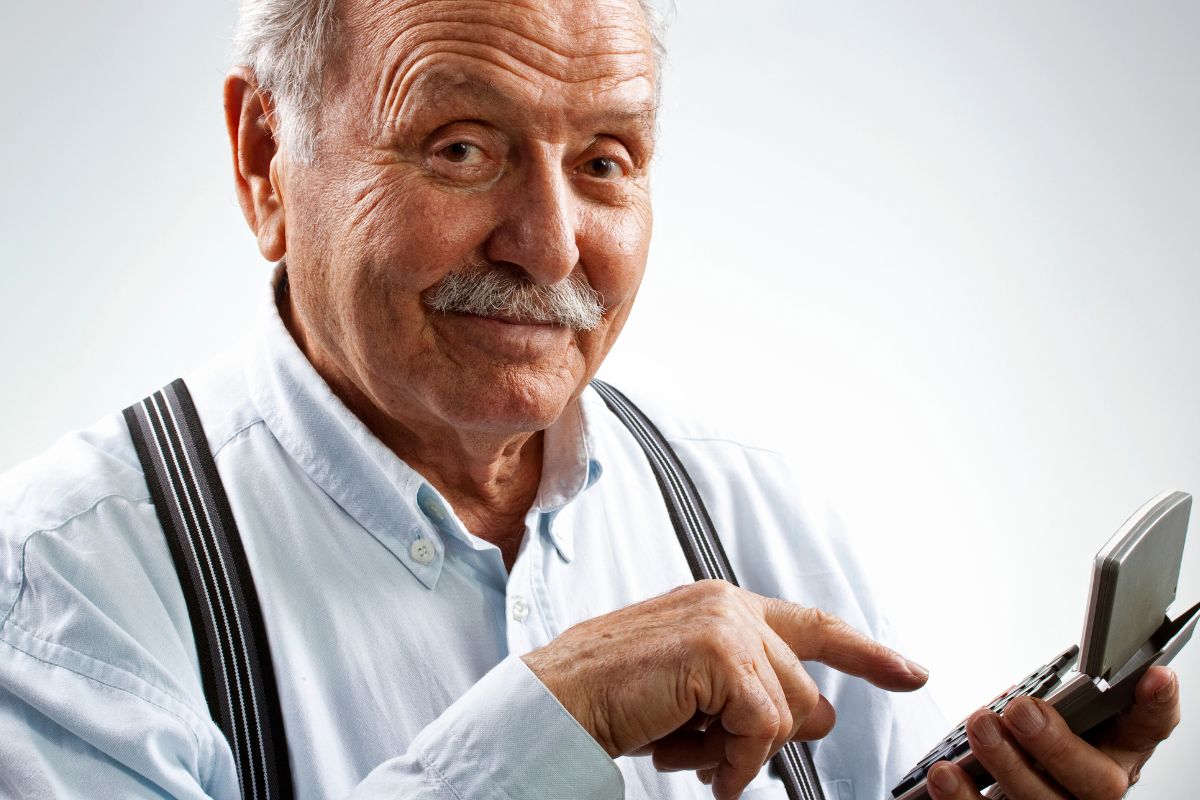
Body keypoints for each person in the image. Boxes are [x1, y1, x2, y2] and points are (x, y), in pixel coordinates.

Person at [0, 0, 1182, 798]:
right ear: (267, 156)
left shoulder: (758, 512)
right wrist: (548, 718)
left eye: (606, 160)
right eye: (462, 146)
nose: (551, 246)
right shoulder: (60, 592)